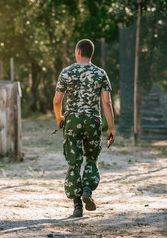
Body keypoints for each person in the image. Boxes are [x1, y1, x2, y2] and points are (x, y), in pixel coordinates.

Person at [53, 39, 115, 217]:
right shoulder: (100, 73)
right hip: (93, 122)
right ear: (91, 53)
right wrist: (111, 127)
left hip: (72, 120)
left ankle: (77, 206)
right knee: (91, 158)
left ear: (78, 51)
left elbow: (57, 101)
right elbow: (106, 102)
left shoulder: (67, 72)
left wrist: (59, 118)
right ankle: (87, 189)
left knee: (73, 162)